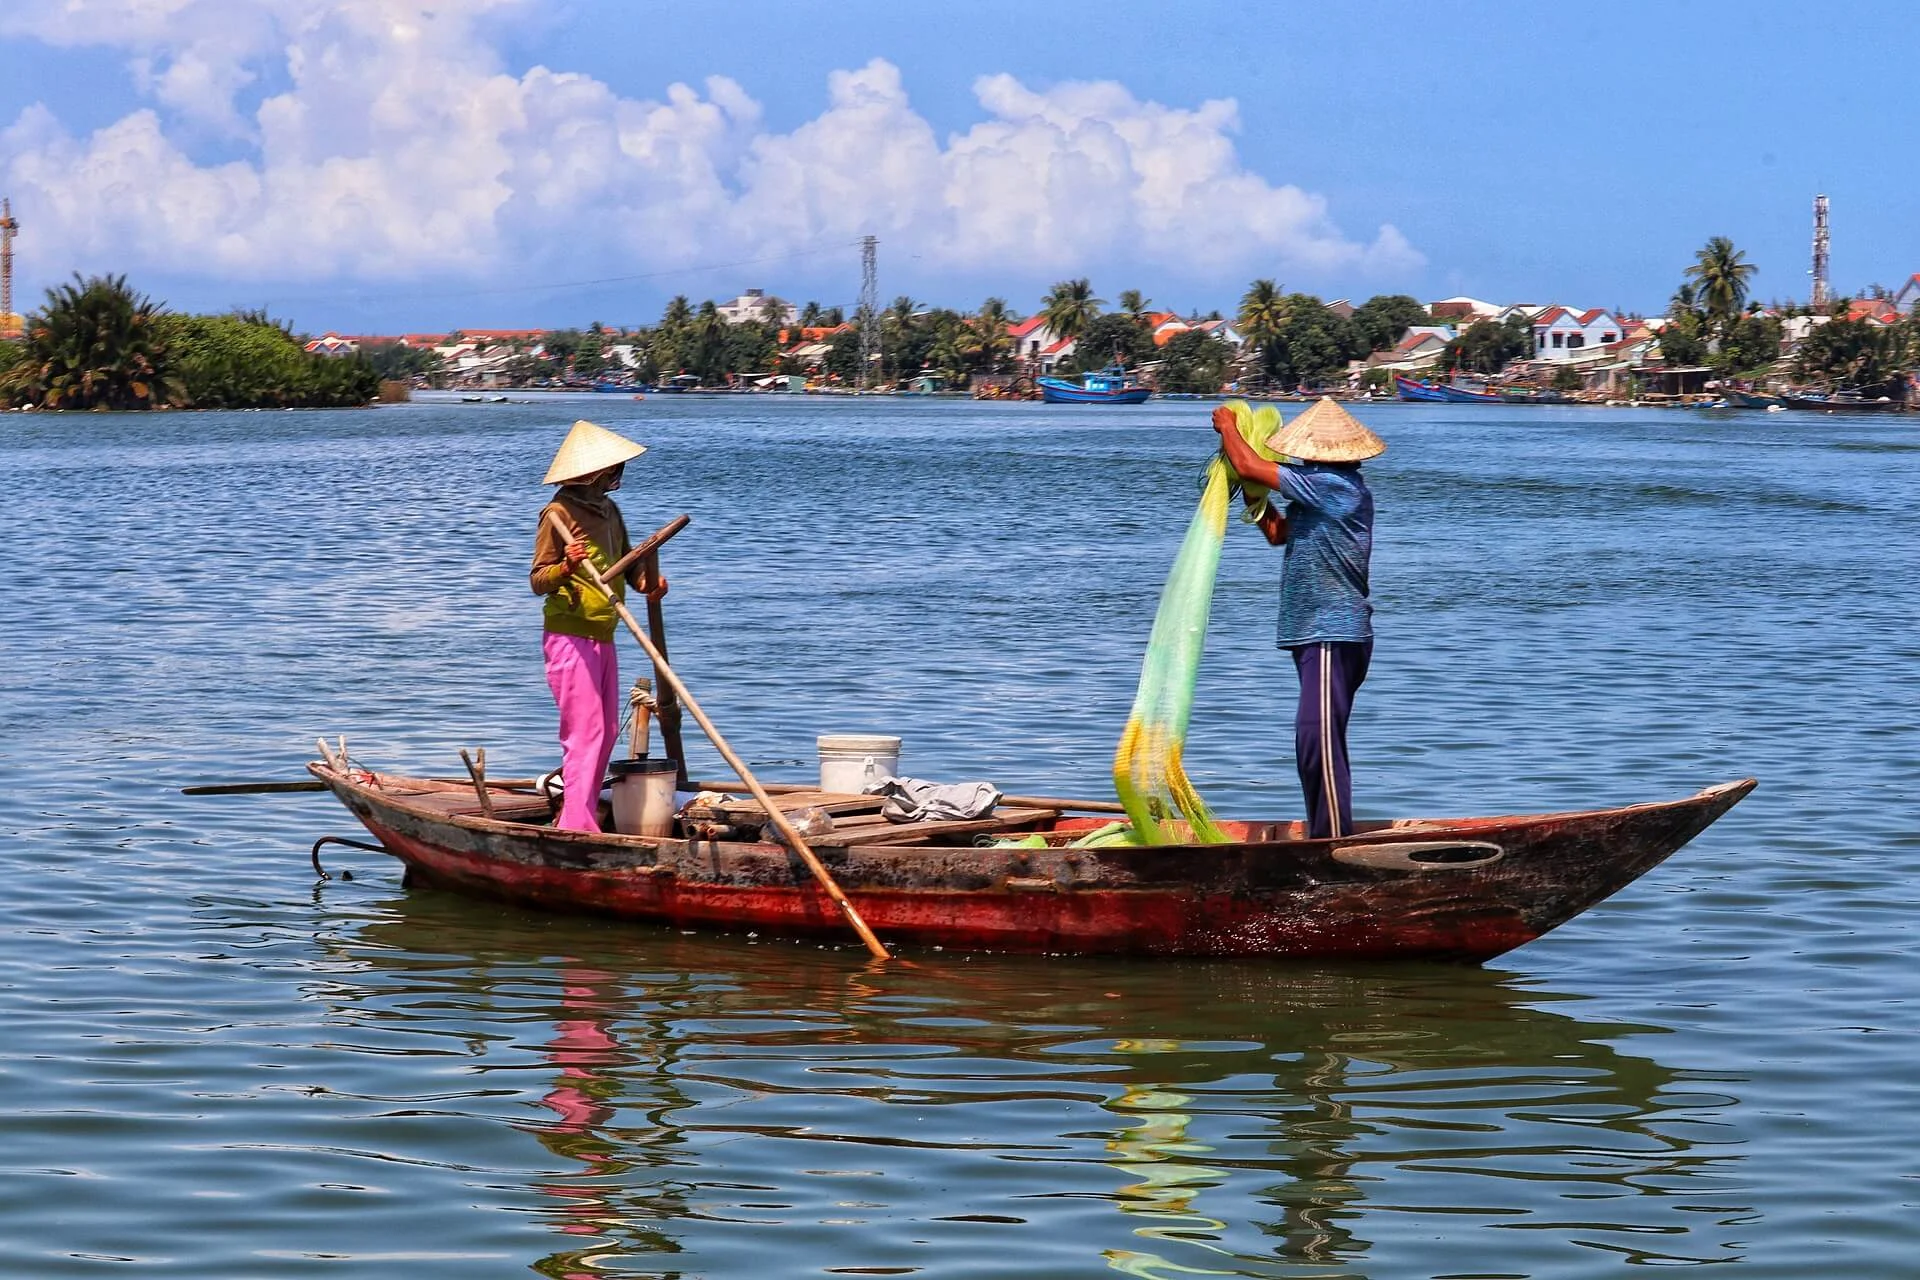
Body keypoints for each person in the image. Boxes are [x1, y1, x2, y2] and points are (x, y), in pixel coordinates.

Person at [1211, 398, 1385, 840]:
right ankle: (1323, 833)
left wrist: (1229, 425)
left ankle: (1330, 843)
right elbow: (1276, 533)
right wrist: (1256, 503)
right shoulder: (1315, 492)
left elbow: (1249, 464)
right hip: (1312, 632)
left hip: (1334, 631)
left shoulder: (1336, 485)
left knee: (1318, 742)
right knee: (1311, 741)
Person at [531, 419, 666, 832]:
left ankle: (580, 811)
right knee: (585, 732)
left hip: (604, 632)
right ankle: (575, 824)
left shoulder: (609, 511)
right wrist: (567, 565)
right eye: (612, 468)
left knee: (605, 731)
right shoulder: (557, 513)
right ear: (593, 472)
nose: (617, 475)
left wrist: (650, 582)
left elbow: (629, 571)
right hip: (569, 634)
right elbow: (538, 580)